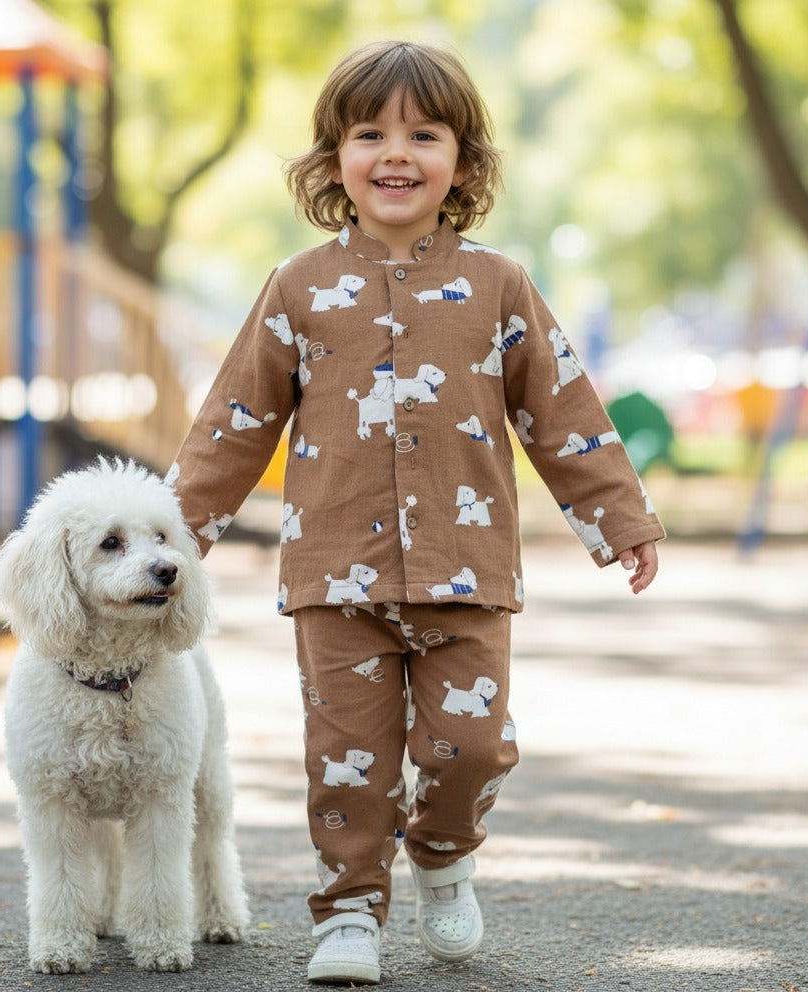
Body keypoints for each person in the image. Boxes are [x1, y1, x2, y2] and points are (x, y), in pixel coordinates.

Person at [167, 39, 664, 985]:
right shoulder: (298, 287)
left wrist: (620, 518)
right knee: (347, 760)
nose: (396, 151)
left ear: (463, 165)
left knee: (468, 747)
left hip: (468, 568)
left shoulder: (498, 284)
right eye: (370, 133)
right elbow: (237, 419)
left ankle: (442, 855)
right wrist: (174, 532)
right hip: (332, 576)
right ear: (332, 161)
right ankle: (349, 911)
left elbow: (559, 409)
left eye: (423, 133)